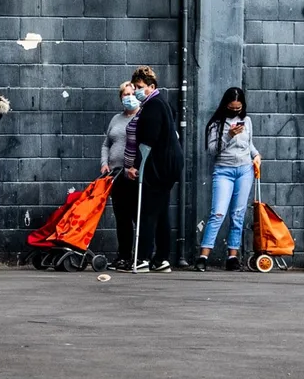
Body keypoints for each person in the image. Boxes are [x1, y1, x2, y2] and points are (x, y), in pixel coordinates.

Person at [117, 66, 183, 271]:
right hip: (168, 165)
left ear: (151, 86)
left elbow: (147, 142)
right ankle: (161, 258)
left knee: (146, 211)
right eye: (135, 87)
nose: (137, 91)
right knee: (160, 212)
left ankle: (143, 258)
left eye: (140, 87)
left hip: (159, 167)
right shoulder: (160, 103)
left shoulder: (153, 106)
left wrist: (136, 167)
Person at [196, 86, 260, 271]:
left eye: (238, 108)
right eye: (232, 108)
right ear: (225, 105)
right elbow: (212, 150)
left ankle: (232, 256)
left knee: (238, 214)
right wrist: (229, 135)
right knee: (218, 213)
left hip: (245, 170)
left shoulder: (247, 120)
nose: (235, 111)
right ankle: (203, 255)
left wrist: (256, 155)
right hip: (224, 170)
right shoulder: (216, 124)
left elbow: (249, 144)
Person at [99, 81, 136, 186]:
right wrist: (104, 163)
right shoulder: (116, 118)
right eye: (126, 94)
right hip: (113, 174)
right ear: (121, 98)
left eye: (133, 94)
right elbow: (106, 145)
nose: (130, 97)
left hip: (132, 175)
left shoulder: (142, 118)